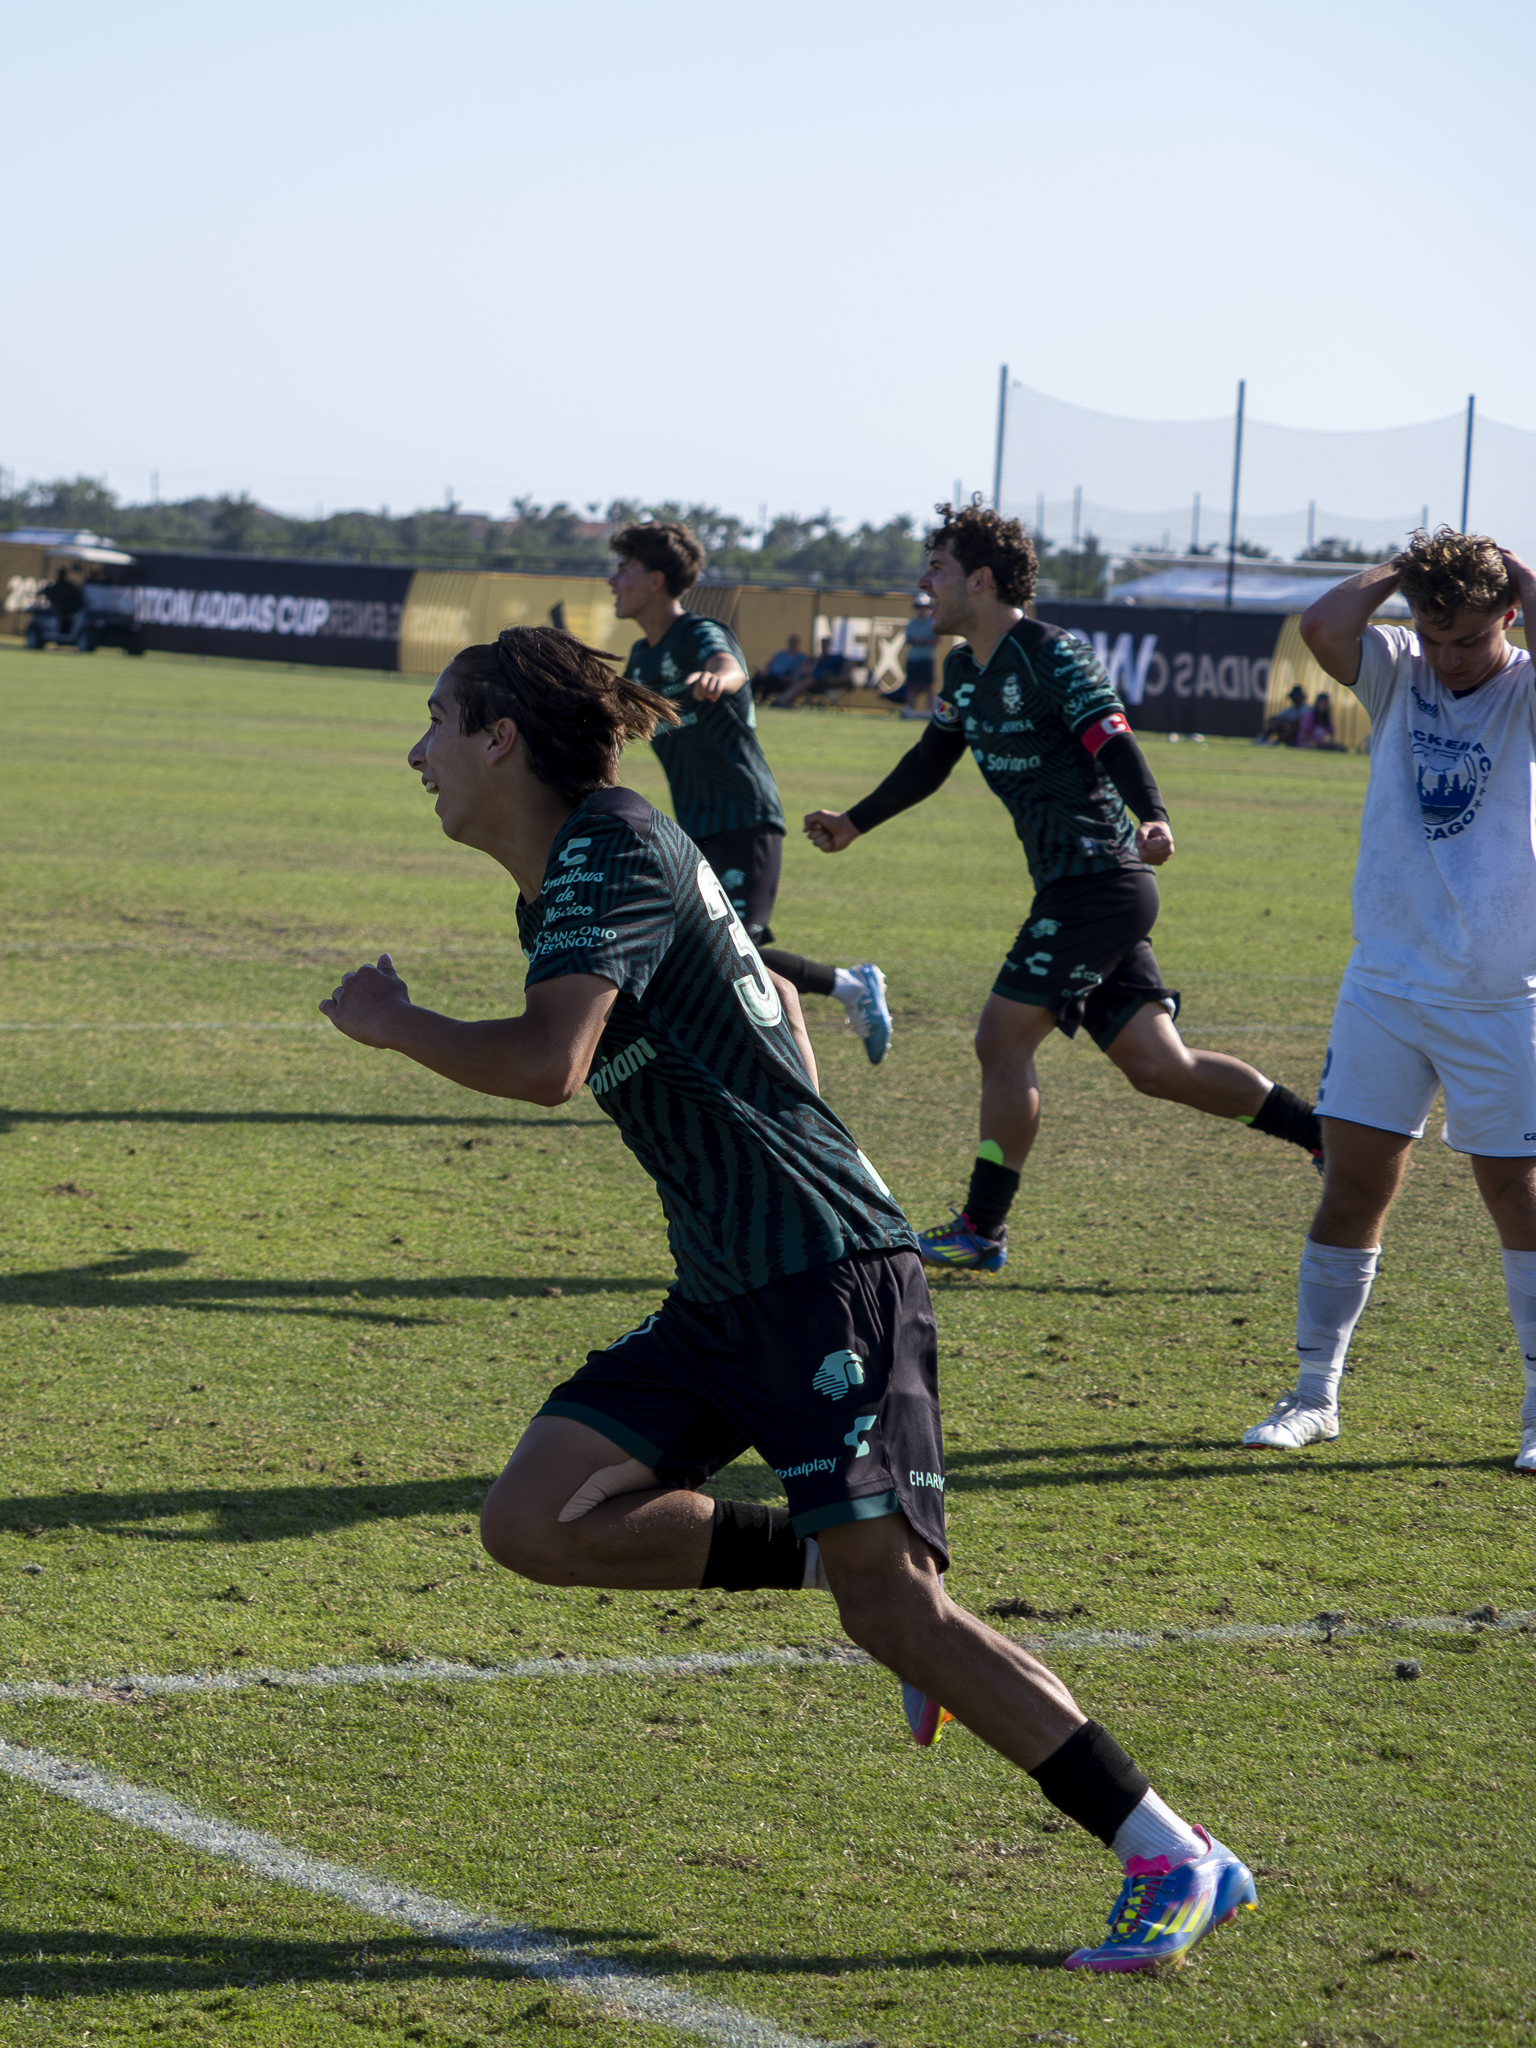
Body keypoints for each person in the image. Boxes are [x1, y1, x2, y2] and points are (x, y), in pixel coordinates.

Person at [319, 624, 1259, 1972]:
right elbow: (763, 985)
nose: (419, 755)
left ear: (500, 737)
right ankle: (836, 1552)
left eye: (435, 723)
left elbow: (547, 1066)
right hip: (728, 1286)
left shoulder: (606, 848)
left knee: (901, 1614)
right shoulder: (581, 872)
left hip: (820, 1280)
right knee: (534, 1518)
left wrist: (390, 1019)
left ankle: (1171, 1850)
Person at [804, 500, 1323, 1273]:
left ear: (981, 579)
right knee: (1160, 1067)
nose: (924, 583)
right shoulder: (963, 671)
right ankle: (1323, 1135)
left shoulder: (1052, 654)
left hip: (1098, 884)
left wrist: (1153, 815)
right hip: (1076, 889)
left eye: (937, 568)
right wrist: (854, 822)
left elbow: (1112, 739)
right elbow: (930, 760)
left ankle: (981, 1229)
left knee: (1000, 1038)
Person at [1244, 529, 1536, 1475]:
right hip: (1383, 988)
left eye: (1471, 639)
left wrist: (1510, 565)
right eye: (1436, 637)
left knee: (1520, 1199)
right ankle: (1312, 1396)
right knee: (1352, 1187)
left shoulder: (1526, 688)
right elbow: (1322, 624)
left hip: (1502, 998)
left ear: (1510, 617)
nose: (1450, 660)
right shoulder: (1398, 668)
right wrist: (1405, 574)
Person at [608, 520, 892, 1062]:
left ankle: (848, 991)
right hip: (692, 830)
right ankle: (847, 987)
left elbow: (729, 666)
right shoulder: (641, 658)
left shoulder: (697, 634)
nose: (613, 579)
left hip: (744, 817)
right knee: (701, 951)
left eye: (624, 568)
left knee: (735, 953)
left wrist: (720, 679)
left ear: (655, 579)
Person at [902, 591, 938, 717]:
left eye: (924, 607)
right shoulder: (912, 623)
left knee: (928, 685)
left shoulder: (932, 623)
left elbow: (937, 639)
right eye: (919, 607)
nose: (921, 609)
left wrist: (924, 641)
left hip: (926, 658)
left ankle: (931, 710)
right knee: (911, 684)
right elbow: (907, 639)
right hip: (913, 657)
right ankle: (909, 709)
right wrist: (916, 641)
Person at [758, 633, 811, 702]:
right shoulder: (781, 654)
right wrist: (766, 671)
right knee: (758, 677)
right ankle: (751, 699)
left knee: (770, 681)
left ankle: (763, 699)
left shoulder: (801, 657)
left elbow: (803, 670)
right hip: (772, 674)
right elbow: (770, 663)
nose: (792, 645)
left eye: (794, 643)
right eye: (791, 643)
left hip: (784, 678)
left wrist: (790, 677)